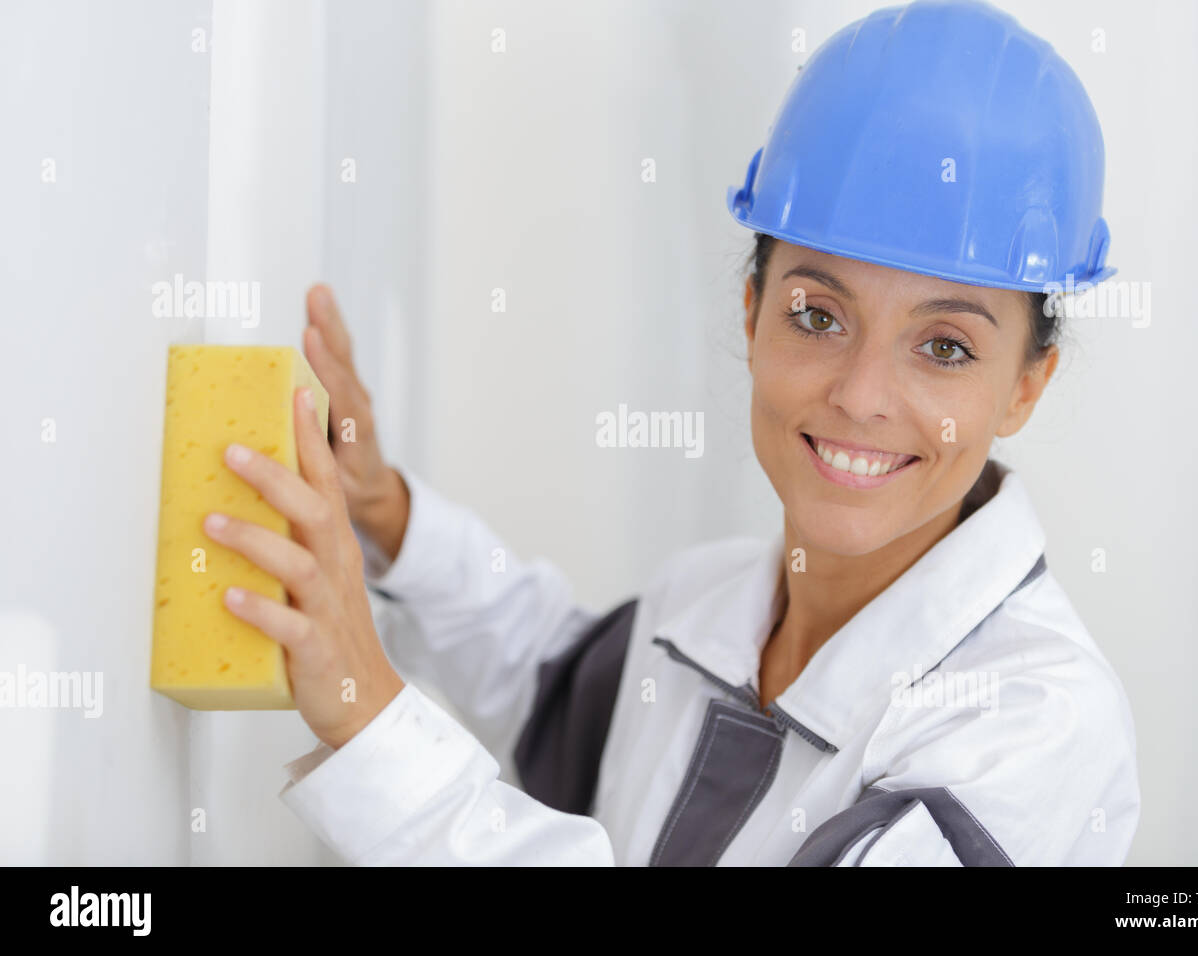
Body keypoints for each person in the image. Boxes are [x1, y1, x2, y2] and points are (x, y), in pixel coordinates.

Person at [202, 0, 1139, 865]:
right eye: (819, 316)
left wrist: (373, 724)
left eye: (943, 345)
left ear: (1025, 385)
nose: (861, 396)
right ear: (750, 311)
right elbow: (561, 688)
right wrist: (384, 510)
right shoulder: (708, 604)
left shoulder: (1035, 723)